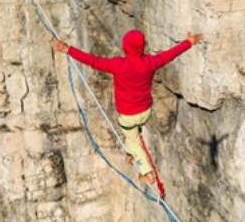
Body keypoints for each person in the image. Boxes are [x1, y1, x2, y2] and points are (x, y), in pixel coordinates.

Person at [51, 30, 204, 184]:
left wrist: (68, 49)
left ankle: (147, 173)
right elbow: (171, 54)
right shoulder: (150, 62)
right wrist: (189, 42)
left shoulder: (118, 65)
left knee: (134, 142)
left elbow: (93, 61)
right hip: (146, 112)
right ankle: (130, 155)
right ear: (143, 46)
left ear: (125, 47)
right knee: (132, 135)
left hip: (128, 116)